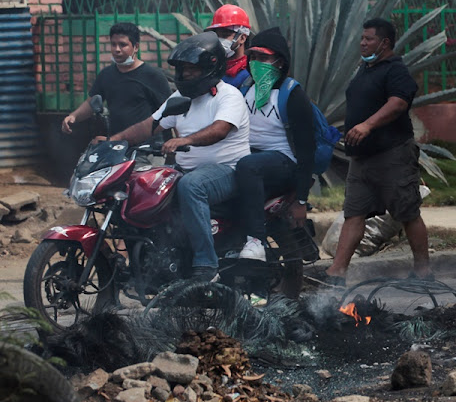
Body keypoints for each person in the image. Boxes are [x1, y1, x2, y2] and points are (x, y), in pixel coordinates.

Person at [108, 32, 250, 281]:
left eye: (191, 69)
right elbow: (149, 125)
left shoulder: (229, 96)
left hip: (228, 171)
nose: (184, 75)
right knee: (139, 187)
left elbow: (220, 129)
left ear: (209, 67)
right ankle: (152, 262)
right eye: (182, 70)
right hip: (186, 170)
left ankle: (207, 265)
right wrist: (113, 141)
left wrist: (186, 139)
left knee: (191, 186)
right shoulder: (180, 98)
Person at [321, 18, 431, 286]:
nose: (362, 43)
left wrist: (368, 125)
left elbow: (398, 103)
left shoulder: (395, 70)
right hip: (361, 158)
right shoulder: (365, 69)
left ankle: (423, 272)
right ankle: (337, 273)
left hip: (393, 155)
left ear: (384, 43)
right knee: (354, 213)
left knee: (407, 212)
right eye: (362, 38)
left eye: (368, 39)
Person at [233, 27, 315, 260]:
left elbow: (307, 148)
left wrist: (301, 200)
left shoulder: (291, 94)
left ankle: (256, 240)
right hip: (249, 157)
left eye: (264, 58)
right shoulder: (246, 89)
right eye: (254, 57)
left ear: (279, 62)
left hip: (283, 160)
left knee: (248, 165)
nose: (257, 63)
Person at [61, 22, 171, 136]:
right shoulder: (106, 75)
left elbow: (171, 111)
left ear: (136, 47)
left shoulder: (153, 76)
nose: (117, 49)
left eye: (123, 45)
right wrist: (74, 116)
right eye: (113, 44)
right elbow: (91, 102)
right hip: (116, 146)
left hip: (146, 148)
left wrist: (177, 143)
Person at [204, 4, 252, 91]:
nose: (220, 41)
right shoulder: (211, 69)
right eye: (217, 36)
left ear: (242, 38)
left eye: (225, 35)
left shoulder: (250, 73)